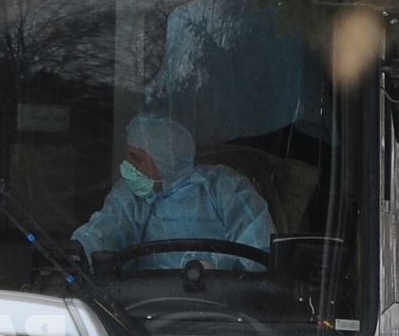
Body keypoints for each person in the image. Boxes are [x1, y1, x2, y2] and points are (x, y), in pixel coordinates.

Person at [72, 114, 273, 271]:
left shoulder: (223, 187)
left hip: (220, 302)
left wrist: (215, 266)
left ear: (164, 160)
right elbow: (105, 230)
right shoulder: (131, 194)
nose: (128, 166)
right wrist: (80, 252)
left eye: (137, 158)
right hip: (145, 302)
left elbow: (260, 250)